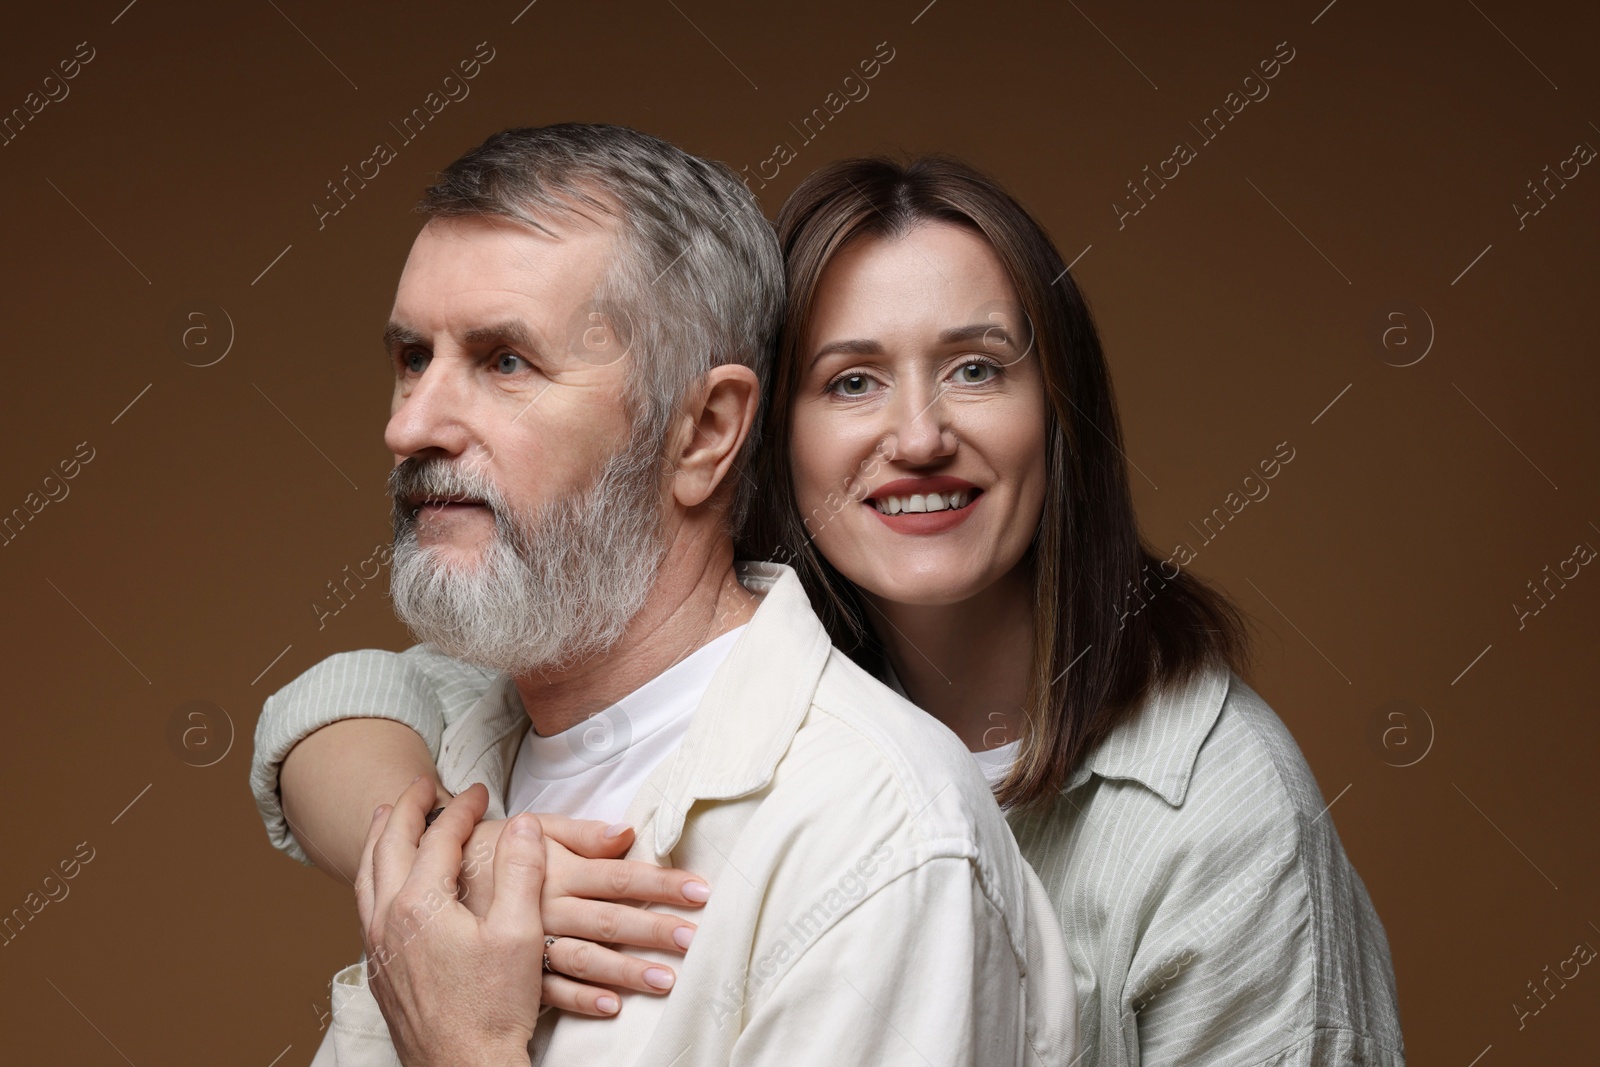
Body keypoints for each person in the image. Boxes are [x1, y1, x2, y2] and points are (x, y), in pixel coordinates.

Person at [256, 149, 1405, 1065]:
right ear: (758, 431)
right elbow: (339, 701)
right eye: (850, 380)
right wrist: (470, 863)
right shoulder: (613, 685)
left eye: (976, 367)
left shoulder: (1196, 803)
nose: (914, 436)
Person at [257, 122, 1075, 1067]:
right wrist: (460, 847)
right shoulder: (468, 738)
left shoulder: (879, 843)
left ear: (704, 432)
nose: (412, 425)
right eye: (413, 358)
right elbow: (319, 713)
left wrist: (463, 1051)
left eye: (504, 361)